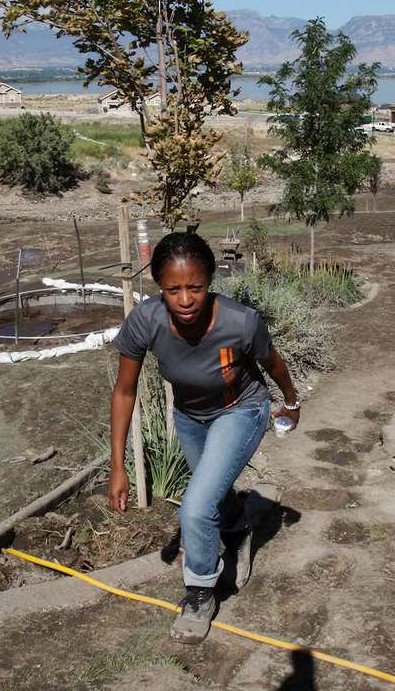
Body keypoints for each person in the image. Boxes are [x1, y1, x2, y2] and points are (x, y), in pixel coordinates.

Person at [107, 232, 301, 644]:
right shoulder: (146, 320)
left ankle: (199, 593)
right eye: (172, 289)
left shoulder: (240, 322)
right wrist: (118, 466)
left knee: (195, 506)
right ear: (159, 288)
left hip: (241, 410)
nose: (185, 299)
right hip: (190, 416)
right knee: (213, 494)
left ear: (210, 282)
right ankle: (238, 530)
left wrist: (291, 400)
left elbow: (273, 361)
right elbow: (125, 391)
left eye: (194, 287)